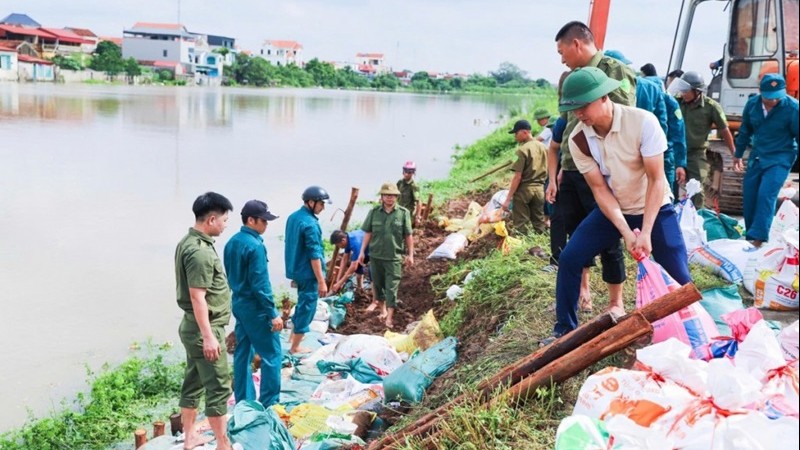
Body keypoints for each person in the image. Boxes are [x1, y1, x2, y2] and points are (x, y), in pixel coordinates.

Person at [544, 67, 691, 344]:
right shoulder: (578, 139)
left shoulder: (643, 123)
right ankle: (564, 330)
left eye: (583, 106)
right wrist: (626, 232)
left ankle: (692, 329)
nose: (579, 114)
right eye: (573, 109)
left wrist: (645, 231)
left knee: (679, 275)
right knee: (570, 258)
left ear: (604, 97)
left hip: (655, 207)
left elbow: (656, 179)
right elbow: (600, 189)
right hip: (615, 208)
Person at [547, 21, 636, 312]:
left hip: (600, 166)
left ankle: (616, 302)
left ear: (576, 44)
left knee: (608, 236)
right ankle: (582, 292)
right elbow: (570, 128)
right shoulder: (574, 77)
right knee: (576, 233)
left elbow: (623, 117)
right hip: (574, 166)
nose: (562, 59)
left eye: (562, 52)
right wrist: (561, 167)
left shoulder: (614, 70)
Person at [174, 192, 235, 450]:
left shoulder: (188, 242)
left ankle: (190, 438)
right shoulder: (199, 253)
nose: (225, 224)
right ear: (211, 219)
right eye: (224, 220)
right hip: (204, 329)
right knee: (219, 388)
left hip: (193, 327)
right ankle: (223, 444)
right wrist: (209, 336)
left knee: (194, 381)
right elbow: (198, 297)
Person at [223, 199, 282, 408]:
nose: (266, 225)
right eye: (263, 221)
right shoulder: (255, 246)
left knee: (242, 352)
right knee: (272, 354)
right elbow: (260, 285)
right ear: (251, 220)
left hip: (239, 303)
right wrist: (272, 313)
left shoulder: (231, 242)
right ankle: (269, 403)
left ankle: (244, 400)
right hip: (256, 308)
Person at [734, 73, 799, 247]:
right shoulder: (752, 105)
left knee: (766, 194)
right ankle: (750, 235)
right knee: (750, 195)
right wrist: (738, 154)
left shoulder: (793, 108)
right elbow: (745, 130)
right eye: (770, 98)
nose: (774, 101)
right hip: (758, 156)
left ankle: (759, 239)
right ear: (761, 93)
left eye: (778, 97)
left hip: (781, 156)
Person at [668, 71, 736, 209]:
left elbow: (724, 129)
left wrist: (734, 153)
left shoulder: (711, 107)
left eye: (686, 91)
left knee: (697, 189)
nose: (683, 93)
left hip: (696, 154)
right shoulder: (675, 102)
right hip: (674, 152)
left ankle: (698, 220)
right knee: (669, 189)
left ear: (697, 91)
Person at [358, 182, 414, 329]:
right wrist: (362, 252)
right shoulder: (374, 213)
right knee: (378, 284)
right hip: (376, 256)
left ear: (396, 197)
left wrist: (410, 254)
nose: (390, 198)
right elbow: (368, 233)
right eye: (387, 195)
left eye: (393, 196)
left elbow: (408, 235)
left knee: (392, 287)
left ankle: (389, 317)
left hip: (394, 257)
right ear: (382, 197)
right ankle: (382, 310)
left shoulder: (403, 213)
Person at [285, 186, 330, 354]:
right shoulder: (311, 224)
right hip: (308, 272)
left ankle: (292, 337)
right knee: (307, 307)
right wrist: (321, 281)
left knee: (301, 303)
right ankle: (295, 347)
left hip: (295, 268)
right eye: (321, 204)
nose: (323, 208)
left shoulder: (293, 217)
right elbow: (314, 254)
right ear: (311, 202)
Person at [641, 63, 688, 199]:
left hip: (660, 156)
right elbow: (678, 133)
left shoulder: (668, 102)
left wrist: (680, 163)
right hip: (658, 155)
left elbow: (678, 133)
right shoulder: (667, 100)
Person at [501, 119, 548, 234]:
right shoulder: (544, 147)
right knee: (539, 220)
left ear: (525, 132)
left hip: (524, 190)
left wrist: (508, 199)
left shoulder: (522, 150)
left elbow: (517, 177)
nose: (515, 137)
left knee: (521, 222)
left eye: (516, 134)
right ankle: (540, 241)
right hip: (540, 189)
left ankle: (521, 245)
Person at [329, 229, 370, 293]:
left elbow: (353, 267)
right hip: (363, 249)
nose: (339, 247)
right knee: (358, 272)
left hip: (373, 249)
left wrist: (340, 283)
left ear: (343, 240)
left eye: (338, 245)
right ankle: (360, 289)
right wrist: (338, 280)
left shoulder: (355, 243)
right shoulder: (347, 238)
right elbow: (344, 259)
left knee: (371, 272)